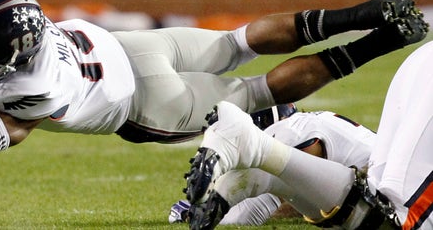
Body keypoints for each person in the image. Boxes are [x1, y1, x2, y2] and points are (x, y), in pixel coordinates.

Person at [0, 0, 426, 171]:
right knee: (239, 40)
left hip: (147, 105)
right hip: (132, 47)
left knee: (260, 92)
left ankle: (379, 39)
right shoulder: (6, 17)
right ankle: (366, 13)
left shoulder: (32, 89)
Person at [183, 33, 433, 230]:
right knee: (399, 219)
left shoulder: (298, 132)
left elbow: (251, 212)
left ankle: (259, 156)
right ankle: (257, 151)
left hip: (419, 66)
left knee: (372, 217)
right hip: (422, 75)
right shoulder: (300, 129)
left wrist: (192, 206)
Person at [167, 103, 378, 226]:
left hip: (378, 191)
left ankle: (237, 141)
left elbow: (249, 214)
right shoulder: (311, 122)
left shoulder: (291, 133)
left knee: (261, 181)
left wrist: (190, 213)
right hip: (383, 178)